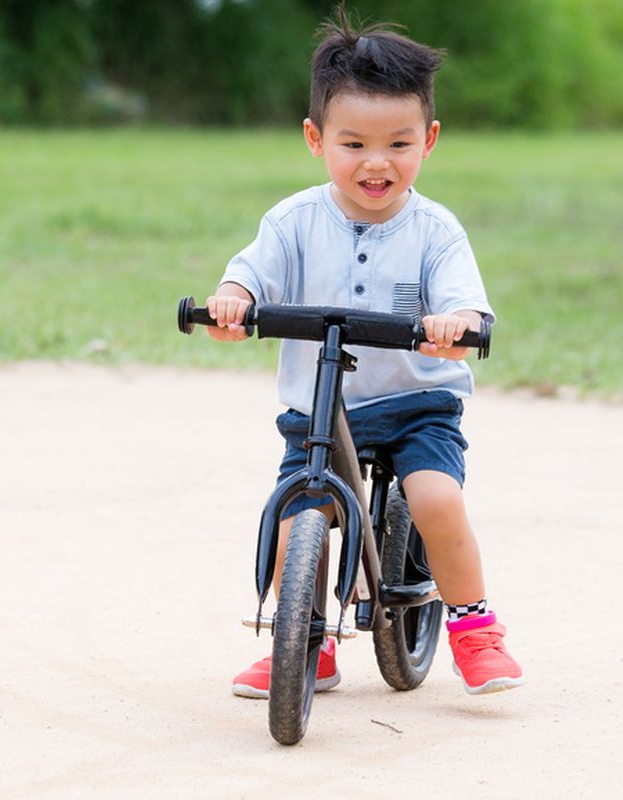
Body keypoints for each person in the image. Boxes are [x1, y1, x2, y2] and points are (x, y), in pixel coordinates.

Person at [206, 12, 523, 697]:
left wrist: (457, 324)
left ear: (429, 141)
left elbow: (468, 302)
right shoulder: (292, 221)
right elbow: (248, 275)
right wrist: (232, 302)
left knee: (435, 496)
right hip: (322, 411)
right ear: (315, 139)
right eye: (353, 144)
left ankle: (474, 627)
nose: (376, 163)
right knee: (299, 518)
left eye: (398, 144)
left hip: (417, 403)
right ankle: (302, 641)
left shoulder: (435, 230)